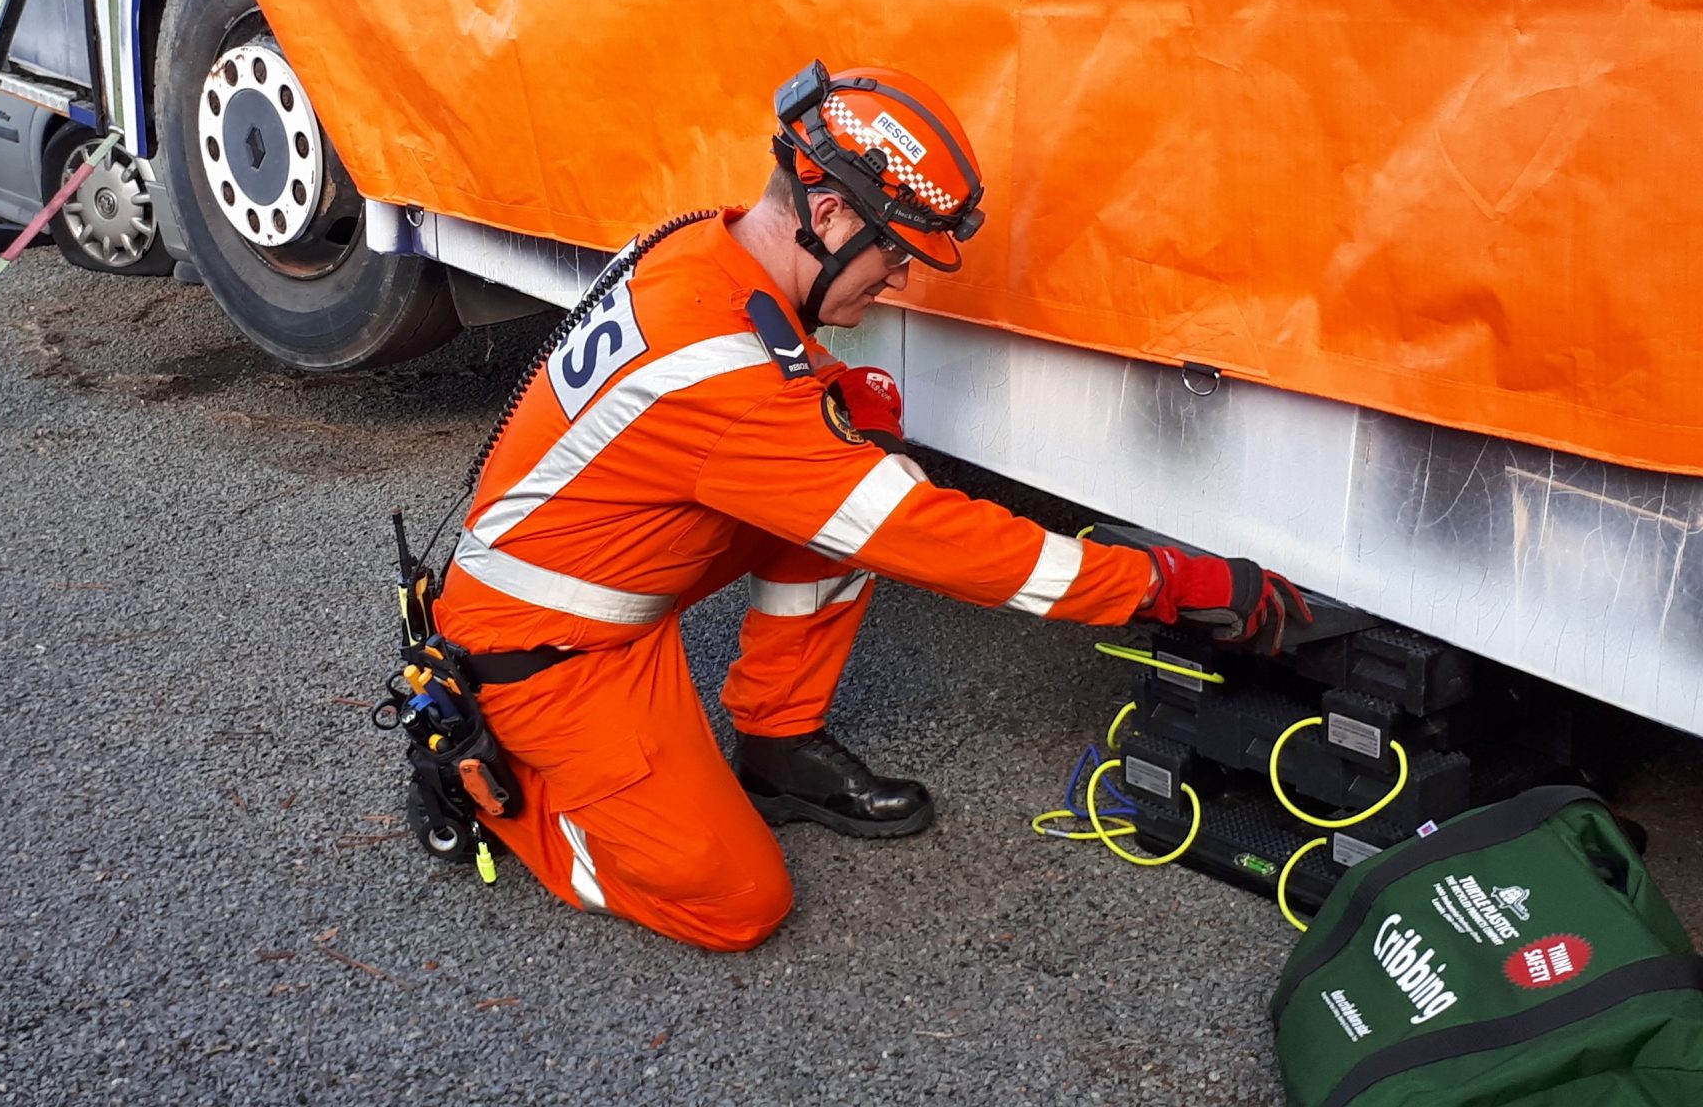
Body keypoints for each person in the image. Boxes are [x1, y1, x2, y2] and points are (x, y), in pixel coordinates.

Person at [428, 60, 1305, 952]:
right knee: (737, 902)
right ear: (831, 215)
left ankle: (777, 746)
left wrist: (846, 409)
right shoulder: (720, 377)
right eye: (895, 252)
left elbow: (763, 390)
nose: (898, 280)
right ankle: (498, 792)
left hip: (594, 577)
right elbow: (943, 543)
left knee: (856, 456)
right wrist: (1163, 583)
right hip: (552, 659)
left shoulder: (700, 247)